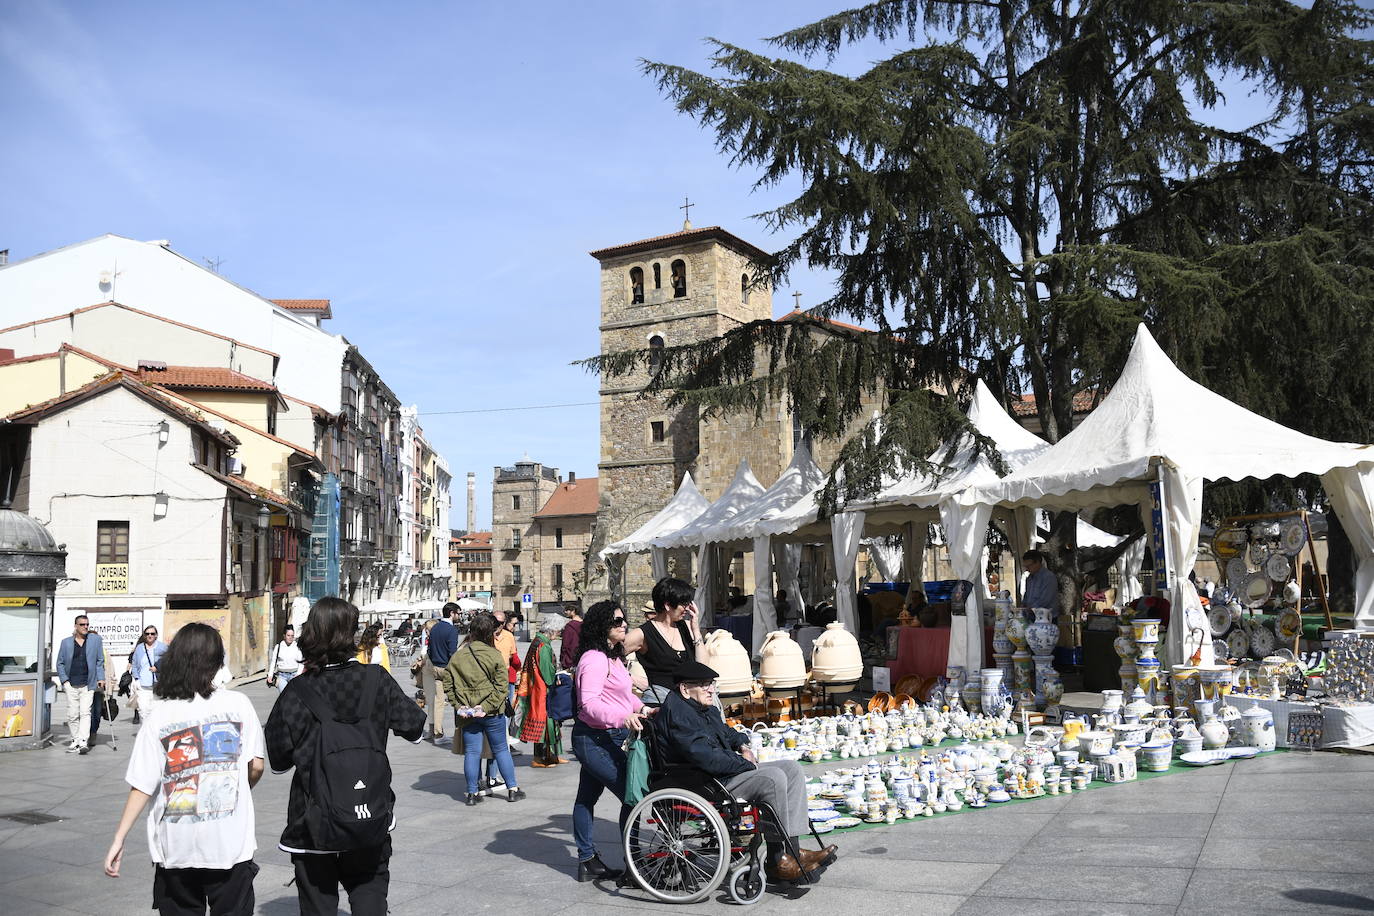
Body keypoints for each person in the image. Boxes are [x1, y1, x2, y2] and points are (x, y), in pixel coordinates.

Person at [264, 596, 426, 916]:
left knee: (317, 903)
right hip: (369, 811)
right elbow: (415, 728)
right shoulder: (376, 680)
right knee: (369, 887)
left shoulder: (296, 691)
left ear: (311, 634)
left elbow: (279, 760)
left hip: (312, 819)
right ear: (351, 635)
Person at [103, 623, 265, 915]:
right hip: (229, 844)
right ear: (218, 660)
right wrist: (235, 787)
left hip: (176, 847)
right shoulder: (240, 705)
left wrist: (119, 838)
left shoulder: (160, 715)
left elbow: (142, 783)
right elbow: (256, 766)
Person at [656, 660, 837, 883]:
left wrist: (743, 745)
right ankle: (776, 860)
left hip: (719, 774)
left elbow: (726, 733)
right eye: (704, 685)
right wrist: (744, 762)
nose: (711, 689)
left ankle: (793, 850)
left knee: (792, 769)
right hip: (702, 781)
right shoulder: (679, 714)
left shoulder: (702, 708)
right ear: (685, 688)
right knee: (773, 778)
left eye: (711, 683)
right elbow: (706, 758)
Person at [572, 600, 647, 882]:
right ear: (602, 625)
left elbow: (622, 696)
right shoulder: (593, 659)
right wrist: (624, 718)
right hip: (594, 738)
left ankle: (586, 860)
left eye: (623, 620)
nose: (624, 624)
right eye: (617, 621)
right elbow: (588, 704)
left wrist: (642, 708)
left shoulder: (612, 657)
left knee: (586, 798)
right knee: (632, 797)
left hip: (605, 736)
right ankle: (634, 864)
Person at [443, 611, 524, 807]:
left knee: (472, 752)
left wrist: (459, 705)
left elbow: (448, 683)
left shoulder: (458, 656)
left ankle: (472, 792)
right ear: (490, 633)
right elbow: (501, 688)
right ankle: (512, 789)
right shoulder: (494, 655)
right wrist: (486, 706)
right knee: (501, 749)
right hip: (491, 712)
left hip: (468, 712)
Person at [621, 577, 706, 705]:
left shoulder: (687, 627)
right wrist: (632, 679)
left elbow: (704, 668)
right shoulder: (642, 634)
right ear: (667, 605)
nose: (688, 608)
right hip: (662, 704)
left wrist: (696, 630)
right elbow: (607, 657)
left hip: (691, 703)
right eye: (684, 603)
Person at [56, 614, 106, 754]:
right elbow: (60, 663)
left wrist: (101, 678)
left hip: (88, 683)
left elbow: (99, 661)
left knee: (85, 713)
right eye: (82, 624)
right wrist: (64, 680)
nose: (85, 627)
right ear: (75, 626)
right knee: (72, 714)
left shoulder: (95, 640)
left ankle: (83, 741)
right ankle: (75, 740)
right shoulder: (66, 642)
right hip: (71, 683)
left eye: (87, 624)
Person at [520, 626, 566, 768]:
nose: (558, 634)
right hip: (542, 691)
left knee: (549, 724)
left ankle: (553, 756)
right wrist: (556, 678)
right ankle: (541, 758)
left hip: (537, 688)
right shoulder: (543, 645)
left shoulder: (537, 641)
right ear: (551, 630)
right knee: (546, 724)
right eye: (557, 631)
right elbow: (547, 671)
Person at [490, 609, 523, 756]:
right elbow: (515, 660)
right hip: (495, 678)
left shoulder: (508, 636)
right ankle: (500, 744)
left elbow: (514, 658)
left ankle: (502, 744)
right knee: (500, 712)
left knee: (504, 711)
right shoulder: (489, 636)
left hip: (506, 678)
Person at [424, 605, 459, 743]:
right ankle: (460, 732)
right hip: (448, 668)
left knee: (439, 701)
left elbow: (430, 649)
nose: (459, 616)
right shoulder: (451, 630)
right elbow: (453, 653)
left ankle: (438, 734)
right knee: (458, 699)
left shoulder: (435, 627)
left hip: (436, 667)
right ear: (452, 613)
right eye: (458, 613)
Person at [130, 624, 167, 718]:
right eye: (147, 634)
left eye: (152, 633)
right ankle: (146, 730)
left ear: (156, 635)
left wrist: (158, 667)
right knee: (143, 710)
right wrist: (136, 678)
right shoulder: (139, 648)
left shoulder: (162, 647)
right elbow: (134, 663)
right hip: (143, 685)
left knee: (156, 712)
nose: (149, 636)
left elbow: (171, 660)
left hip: (158, 685)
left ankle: (155, 731)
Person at [1022, 549, 1059, 619]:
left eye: (1029, 566)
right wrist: (1023, 607)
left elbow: (1046, 600)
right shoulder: (1029, 578)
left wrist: (1031, 608)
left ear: (1038, 563)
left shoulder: (1048, 577)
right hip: (1032, 617)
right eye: (1025, 566)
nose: (1027, 569)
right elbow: (1026, 596)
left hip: (1047, 619)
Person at [267, 625, 303, 692]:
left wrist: (298, 674)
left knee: (293, 696)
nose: (290, 638)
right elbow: (273, 662)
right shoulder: (278, 647)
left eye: (292, 636)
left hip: (294, 675)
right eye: (288, 635)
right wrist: (270, 675)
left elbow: (301, 663)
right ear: (284, 636)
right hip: (282, 676)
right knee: (283, 696)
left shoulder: (297, 647)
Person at [559, 604, 583, 670]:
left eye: (567, 610)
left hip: (570, 659)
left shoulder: (569, 626)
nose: (565, 612)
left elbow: (565, 644)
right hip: (582, 657)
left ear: (573, 611)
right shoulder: (585, 624)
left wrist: (562, 659)